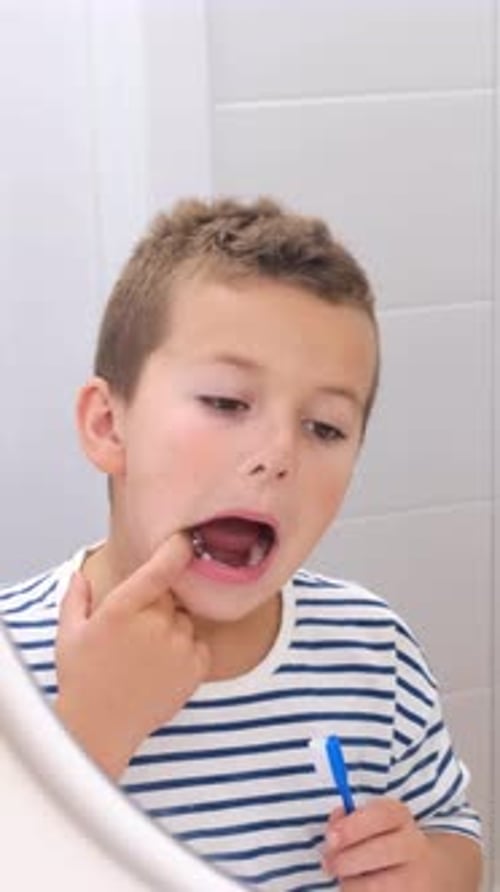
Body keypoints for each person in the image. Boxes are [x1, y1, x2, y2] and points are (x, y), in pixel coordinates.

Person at [1, 198, 482, 891]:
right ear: (109, 426)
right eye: (227, 403)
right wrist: (90, 733)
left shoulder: (372, 646)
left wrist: (429, 871)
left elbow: (452, 832)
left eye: (325, 427)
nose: (278, 454)